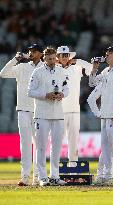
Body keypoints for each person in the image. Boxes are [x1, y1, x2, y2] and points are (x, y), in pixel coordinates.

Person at [0, 44, 43, 186]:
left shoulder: (45, 68)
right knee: (25, 144)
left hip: (40, 110)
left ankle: (38, 176)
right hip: (23, 109)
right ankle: (25, 177)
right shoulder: (22, 67)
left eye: (34, 51)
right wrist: (14, 59)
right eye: (30, 51)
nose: (31, 53)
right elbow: (3, 73)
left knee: (39, 145)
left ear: (40, 54)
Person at [28, 47, 68, 186]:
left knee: (56, 146)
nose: (51, 61)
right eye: (49, 59)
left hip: (58, 114)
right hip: (42, 114)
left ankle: (55, 176)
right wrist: (46, 95)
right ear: (44, 58)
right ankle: (42, 177)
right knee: (41, 146)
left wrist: (63, 94)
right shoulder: (37, 72)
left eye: (53, 58)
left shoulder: (61, 71)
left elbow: (66, 87)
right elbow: (30, 92)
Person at [89, 46, 113, 185]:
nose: (106, 55)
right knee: (105, 147)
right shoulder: (106, 71)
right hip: (106, 115)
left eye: (110, 53)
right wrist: (94, 68)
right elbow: (92, 83)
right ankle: (104, 175)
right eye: (106, 53)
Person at [56, 46, 92, 167]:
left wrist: (78, 61)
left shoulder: (76, 68)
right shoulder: (54, 69)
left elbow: (91, 68)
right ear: (58, 57)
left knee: (73, 142)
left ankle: (73, 168)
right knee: (57, 142)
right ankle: (55, 170)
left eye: (67, 55)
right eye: (62, 55)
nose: (65, 58)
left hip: (74, 111)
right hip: (58, 111)